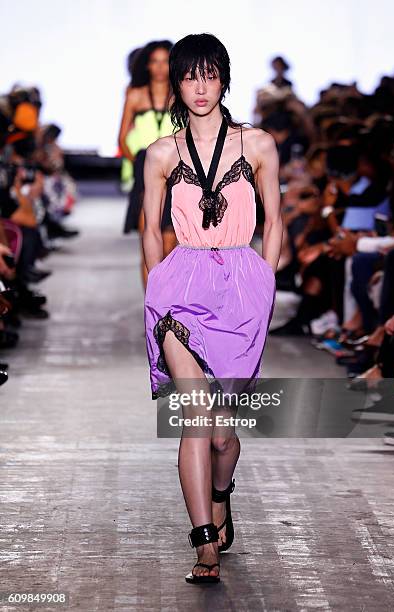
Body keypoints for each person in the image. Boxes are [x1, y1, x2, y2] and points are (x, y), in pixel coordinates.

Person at [142, 33, 282, 584]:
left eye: (210, 75)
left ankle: (221, 493)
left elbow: (275, 220)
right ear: (176, 83)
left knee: (223, 436)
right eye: (189, 77)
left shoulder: (258, 145)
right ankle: (204, 544)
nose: (201, 88)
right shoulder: (161, 153)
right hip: (180, 287)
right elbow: (150, 233)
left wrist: (264, 282)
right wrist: (154, 294)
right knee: (196, 422)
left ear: (224, 78)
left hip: (242, 287)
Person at [118, 40, 177, 288]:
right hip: (145, 170)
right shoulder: (135, 94)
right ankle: (153, 313)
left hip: (177, 171)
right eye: (155, 61)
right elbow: (121, 138)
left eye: (165, 61)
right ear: (147, 65)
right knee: (150, 245)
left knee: (171, 245)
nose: (160, 67)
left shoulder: (182, 94)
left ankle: (169, 309)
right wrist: (140, 164)